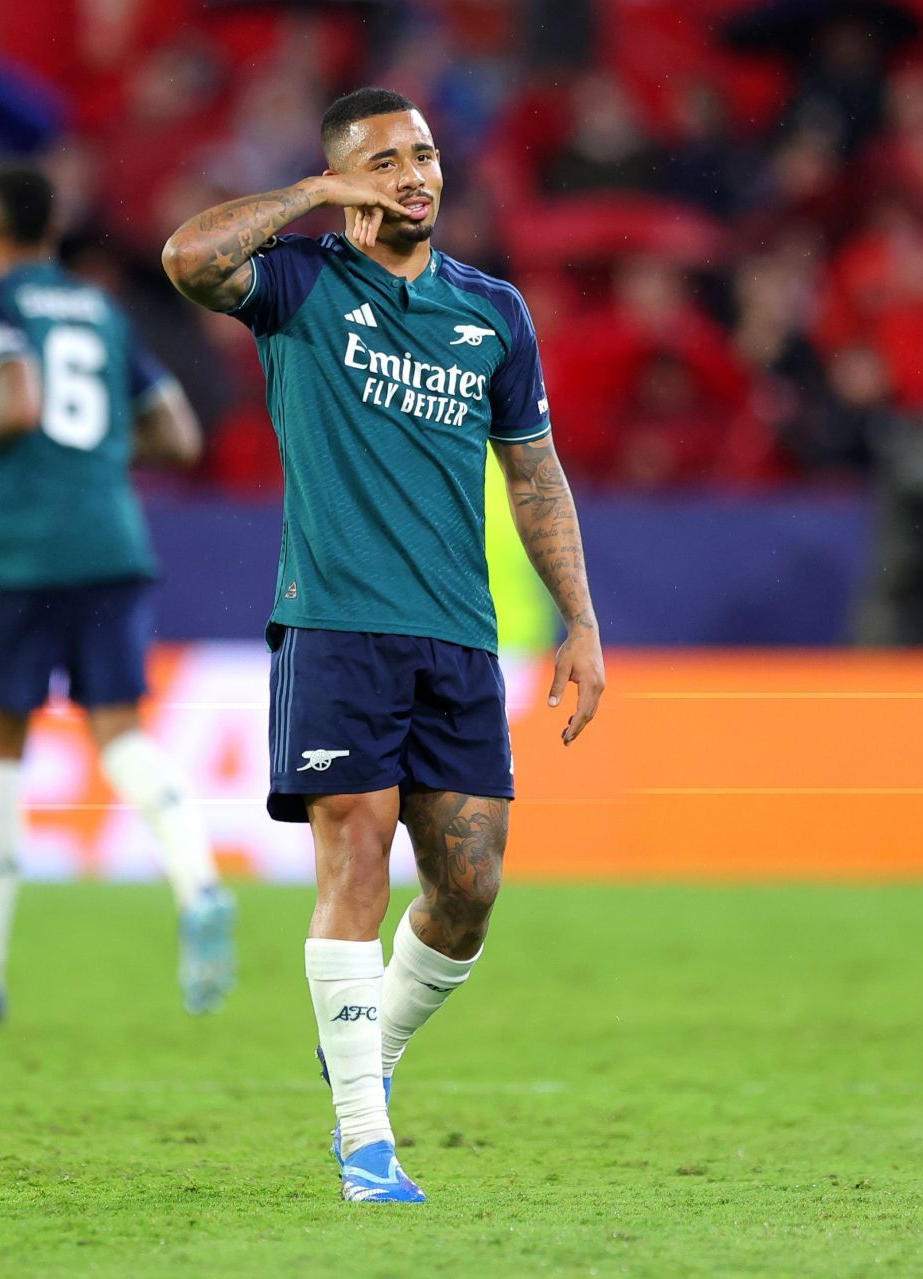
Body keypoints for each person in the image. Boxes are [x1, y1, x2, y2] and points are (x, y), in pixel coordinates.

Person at [161, 87, 606, 1204]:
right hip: (336, 624)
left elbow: (534, 472)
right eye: (384, 160)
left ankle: (368, 1046)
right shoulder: (302, 284)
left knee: (471, 888)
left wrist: (583, 620)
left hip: (458, 636)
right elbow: (186, 258)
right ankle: (366, 1142)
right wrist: (315, 193)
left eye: (424, 154)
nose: (413, 173)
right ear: (349, 176)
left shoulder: (491, 311)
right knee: (352, 866)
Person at [0, 165, 235, 1025]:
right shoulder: (100, 309)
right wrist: (94, 466)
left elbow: (17, 401)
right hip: (112, 539)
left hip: (20, 548)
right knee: (119, 730)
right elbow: (180, 434)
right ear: (55, 228)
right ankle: (198, 881)